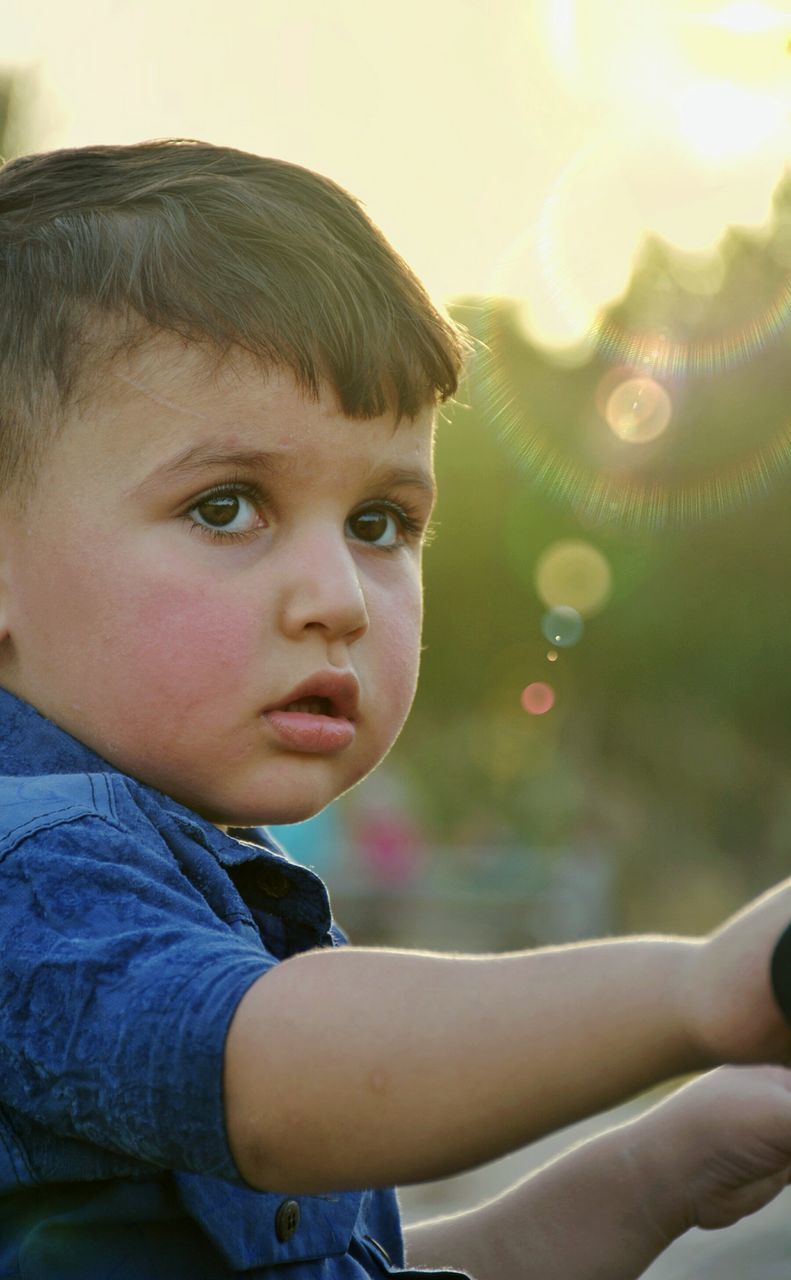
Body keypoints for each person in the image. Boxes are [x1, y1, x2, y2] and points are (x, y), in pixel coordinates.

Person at [0, 140, 790, 1280]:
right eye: (226, 506)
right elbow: (272, 1077)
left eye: (379, 521)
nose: (337, 599)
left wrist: (650, 1171)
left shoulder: (200, 880)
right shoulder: (31, 871)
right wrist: (694, 989)